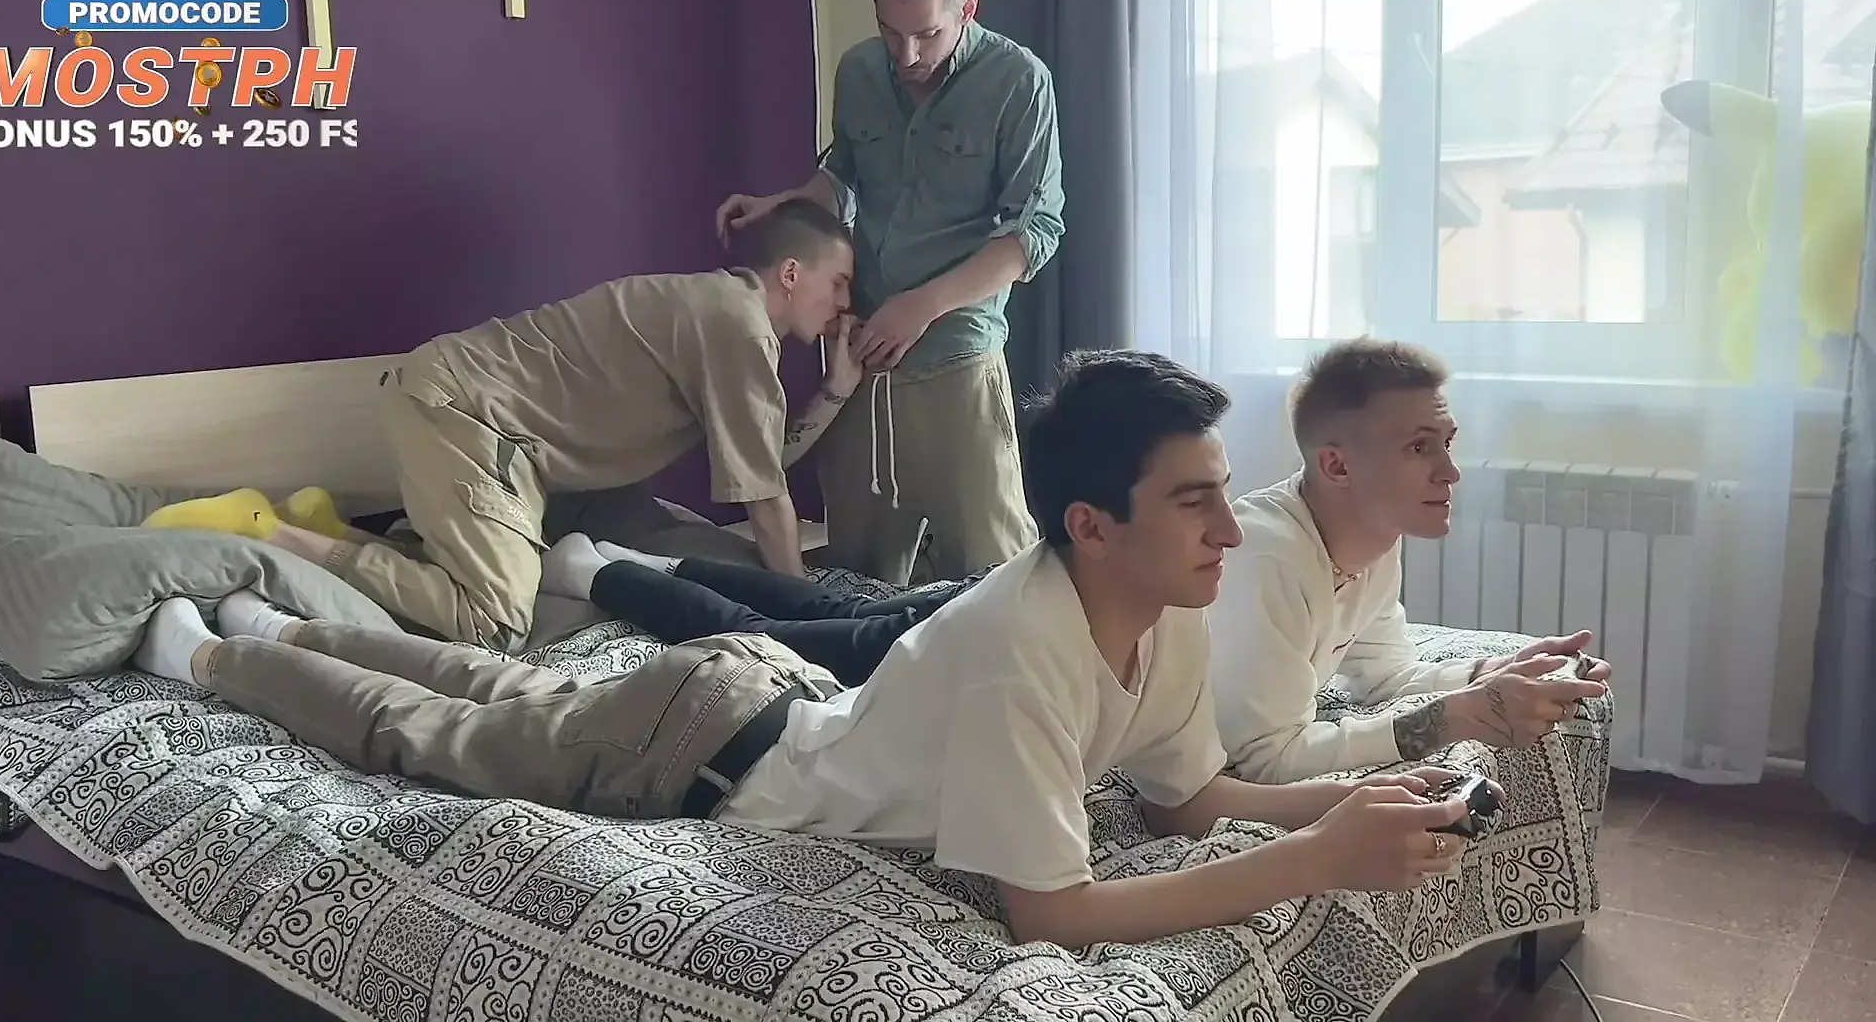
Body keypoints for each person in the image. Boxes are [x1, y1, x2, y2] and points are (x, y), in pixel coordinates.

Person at [126, 348, 1481, 951]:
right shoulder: (1026, 645)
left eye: (1221, 494)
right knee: (447, 734)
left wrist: (1352, 798)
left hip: (758, 694)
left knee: (507, 688)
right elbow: (1053, 916)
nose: (1230, 530)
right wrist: (1316, 858)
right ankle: (215, 657)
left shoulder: (1165, 611)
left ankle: (278, 621)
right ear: (1091, 525)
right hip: (707, 751)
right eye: (1194, 502)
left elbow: (1187, 802)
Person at [140, 199, 858, 653]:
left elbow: (760, 464)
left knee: (689, 552)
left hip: (511, 443)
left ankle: (332, 529)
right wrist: (806, 619)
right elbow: (765, 495)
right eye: (839, 284)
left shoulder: (727, 316)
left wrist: (835, 389)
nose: (844, 303)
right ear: (791, 273)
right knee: (496, 622)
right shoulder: (735, 323)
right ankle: (272, 531)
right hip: (469, 415)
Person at [715, 0, 1065, 586]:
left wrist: (922, 306)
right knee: (858, 571)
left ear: (968, 8)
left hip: (957, 360)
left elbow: (1032, 233)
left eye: (927, 34)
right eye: (888, 30)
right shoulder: (858, 72)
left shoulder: (1019, 82)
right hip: (861, 356)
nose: (905, 56)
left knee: (994, 574)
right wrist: (780, 207)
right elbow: (842, 179)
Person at [1210, 338, 1613, 784]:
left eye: (1447, 443)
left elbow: (1384, 676)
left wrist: (1497, 671)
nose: (1450, 472)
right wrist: (1453, 717)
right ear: (1337, 466)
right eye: (1419, 448)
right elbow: (1266, 760)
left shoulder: (1373, 536)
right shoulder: (1267, 558)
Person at [536, 536, 992, 686]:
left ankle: (646, 566)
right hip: (984, 623)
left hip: (992, 593)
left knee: (849, 611)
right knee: (769, 639)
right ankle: (595, 575)